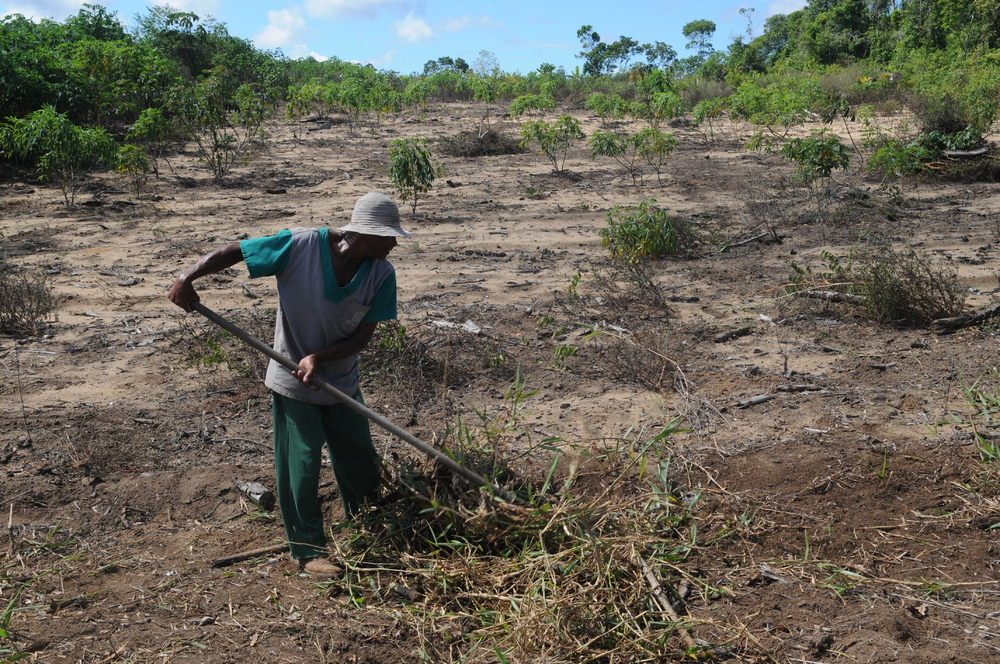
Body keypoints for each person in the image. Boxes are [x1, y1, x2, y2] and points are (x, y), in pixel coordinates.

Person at [168, 192, 411, 577]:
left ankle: (369, 530)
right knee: (301, 465)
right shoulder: (300, 246)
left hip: (341, 382)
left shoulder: (382, 274)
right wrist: (188, 277)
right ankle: (307, 550)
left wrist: (319, 358)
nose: (394, 244)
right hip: (292, 381)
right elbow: (238, 251)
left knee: (360, 459)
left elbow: (362, 338)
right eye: (388, 237)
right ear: (365, 234)